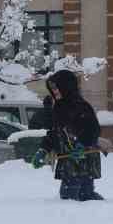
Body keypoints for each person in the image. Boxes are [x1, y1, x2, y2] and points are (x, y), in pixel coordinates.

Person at [39, 69, 104, 201]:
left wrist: (81, 145)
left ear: (66, 87)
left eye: (57, 88)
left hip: (84, 159)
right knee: (75, 197)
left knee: (75, 196)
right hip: (68, 161)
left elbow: (93, 130)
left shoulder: (81, 106)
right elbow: (54, 132)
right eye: (53, 89)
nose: (55, 92)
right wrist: (43, 149)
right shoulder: (58, 108)